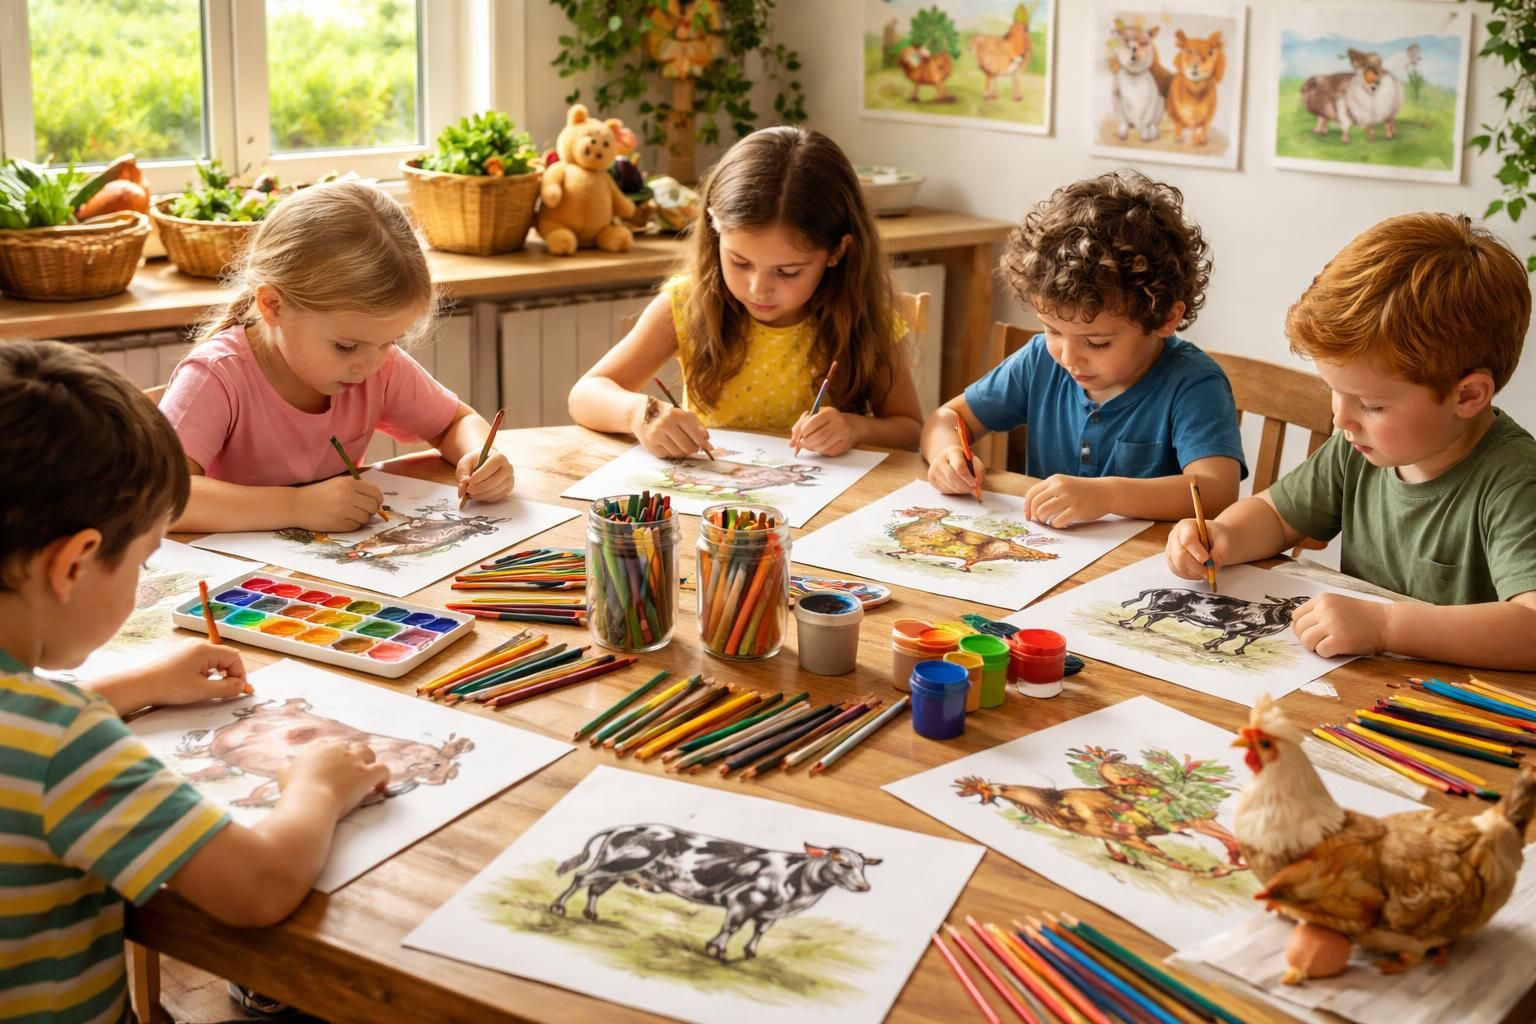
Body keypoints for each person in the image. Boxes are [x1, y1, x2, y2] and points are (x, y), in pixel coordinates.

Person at [0, 341, 389, 1023]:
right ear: (73, 565)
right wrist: (318, 787)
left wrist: (134, 685)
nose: (143, 579)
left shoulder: (36, 731)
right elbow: (258, 887)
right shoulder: (62, 742)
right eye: (144, 560)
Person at [1166, 213, 1536, 670]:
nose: (1341, 417)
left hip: (1466, 713)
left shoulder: (1515, 482)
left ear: (1468, 395)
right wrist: (1223, 536)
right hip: (1361, 688)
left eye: (1371, 405)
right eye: (1334, 391)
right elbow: (1278, 517)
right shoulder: (1359, 447)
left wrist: (1387, 627)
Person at [161, 182, 514, 533]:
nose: (370, 365)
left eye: (390, 342)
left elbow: (453, 422)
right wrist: (296, 506)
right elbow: (160, 498)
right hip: (234, 582)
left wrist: (481, 456)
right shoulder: (217, 376)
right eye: (345, 347)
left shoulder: (379, 367)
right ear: (273, 306)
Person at [568, 126, 923, 458]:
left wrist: (856, 428)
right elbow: (585, 394)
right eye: (739, 262)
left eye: (787, 271)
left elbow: (910, 430)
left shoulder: (866, 316)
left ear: (837, 252)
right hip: (714, 513)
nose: (758, 289)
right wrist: (640, 414)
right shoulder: (688, 304)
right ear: (715, 233)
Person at [921, 171, 1245, 526]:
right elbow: (948, 419)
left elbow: (1216, 492)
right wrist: (947, 454)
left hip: (1145, 570)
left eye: (1097, 342)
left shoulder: (1193, 384)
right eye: (1053, 331)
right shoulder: (1039, 361)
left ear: (1166, 318)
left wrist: (1108, 495)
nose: (1068, 357)